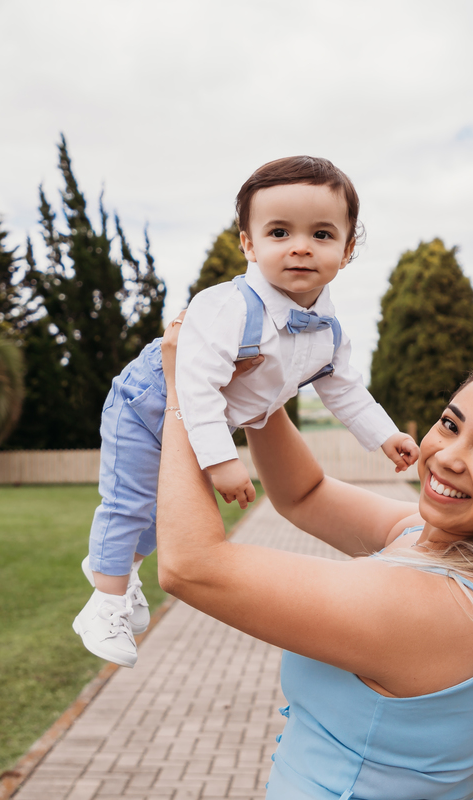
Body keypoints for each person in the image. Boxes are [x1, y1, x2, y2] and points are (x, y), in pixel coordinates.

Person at [155, 324, 473, 800]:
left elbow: (190, 565)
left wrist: (184, 392)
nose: (448, 457)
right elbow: (304, 494)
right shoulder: (431, 542)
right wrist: (263, 384)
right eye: (450, 424)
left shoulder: (440, 606)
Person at [73, 156, 420, 668]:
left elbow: (344, 389)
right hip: (148, 405)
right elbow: (191, 384)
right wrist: (221, 461)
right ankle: (103, 601)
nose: (300, 246)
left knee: (160, 513)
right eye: (280, 232)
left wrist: (384, 436)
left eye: (322, 234)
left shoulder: (329, 331)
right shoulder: (227, 307)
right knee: (128, 503)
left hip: (203, 420)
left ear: (347, 251)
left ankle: (119, 573)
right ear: (249, 245)